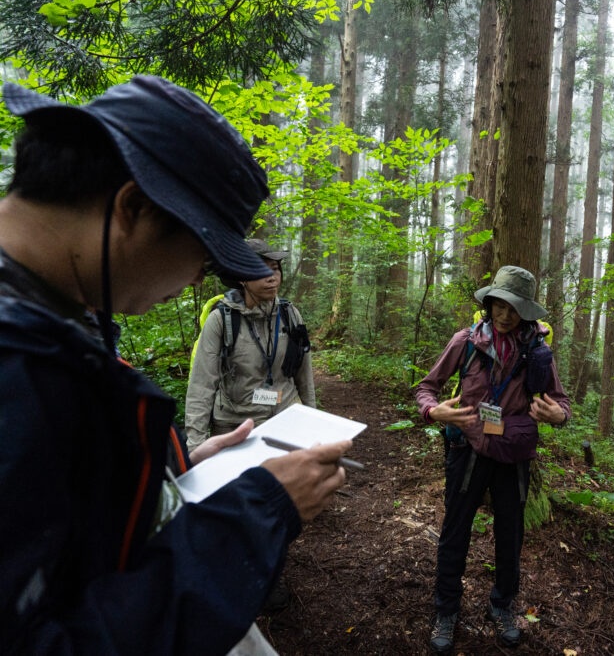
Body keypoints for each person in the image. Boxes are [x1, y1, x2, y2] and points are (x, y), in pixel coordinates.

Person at [0, 76, 352, 653]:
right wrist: (257, 511)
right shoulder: (18, 370)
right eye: (203, 256)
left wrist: (176, 466)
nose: (198, 280)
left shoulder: (53, 321)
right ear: (133, 207)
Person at [416, 266, 571, 654]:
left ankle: (502, 605)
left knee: (510, 536)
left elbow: (562, 401)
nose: (504, 315)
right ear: (489, 304)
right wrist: (434, 412)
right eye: (499, 305)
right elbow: (427, 387)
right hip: (467, 449)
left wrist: (559, 416)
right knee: (455, 531)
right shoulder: (466, 342)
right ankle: (446, 610)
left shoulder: (538, 351)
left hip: (514, 456)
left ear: (528, 313)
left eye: (514, 309)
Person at [185, 238, 314, 452]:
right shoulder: (221, 320)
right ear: (242, 278)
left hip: (284, 419)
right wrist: (195, 446)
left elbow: (304, 374)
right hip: (235, 427)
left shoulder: (290, 315)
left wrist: (312, 420)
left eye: (275, 269)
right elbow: (202, 385)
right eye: (262, 270)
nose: (272, 278)